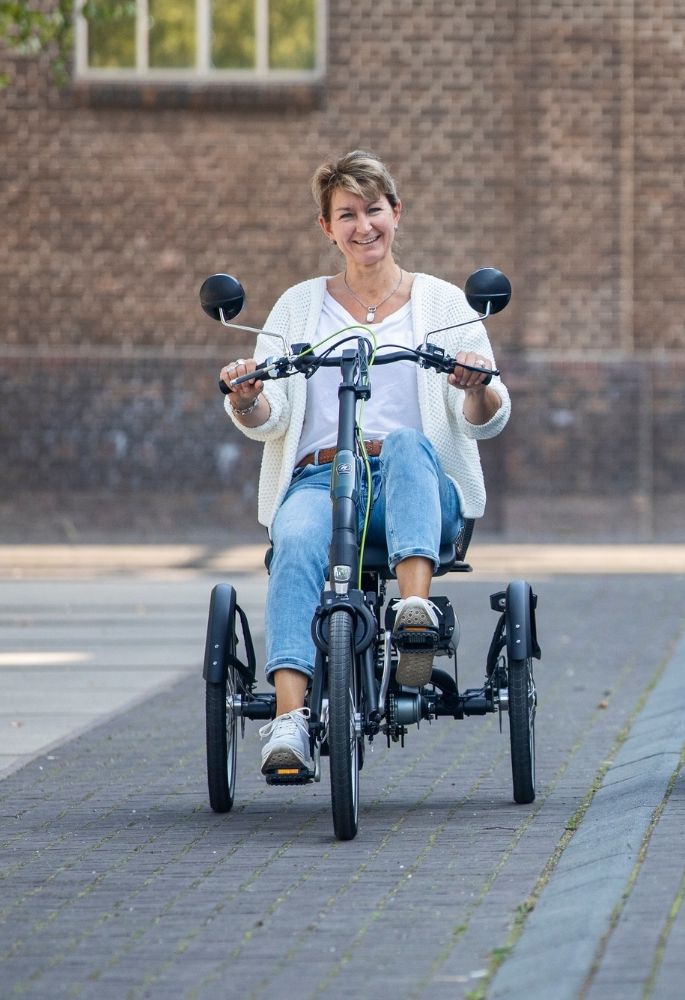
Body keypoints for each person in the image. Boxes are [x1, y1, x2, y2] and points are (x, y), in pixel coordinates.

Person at [219, 151, 511, 778]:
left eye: (373, 210)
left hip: (419, 485)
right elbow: (269, 417)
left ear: (396, 214)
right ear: (327, 228)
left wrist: (475, 385)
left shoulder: (446, 305)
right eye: (346, 215)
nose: (363, 226)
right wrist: (248, 397)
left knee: (406, 442)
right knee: (294, 538)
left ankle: (414, 616)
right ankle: (291, 724)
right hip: (322, 479)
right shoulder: (299, 309)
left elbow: (487, 415)